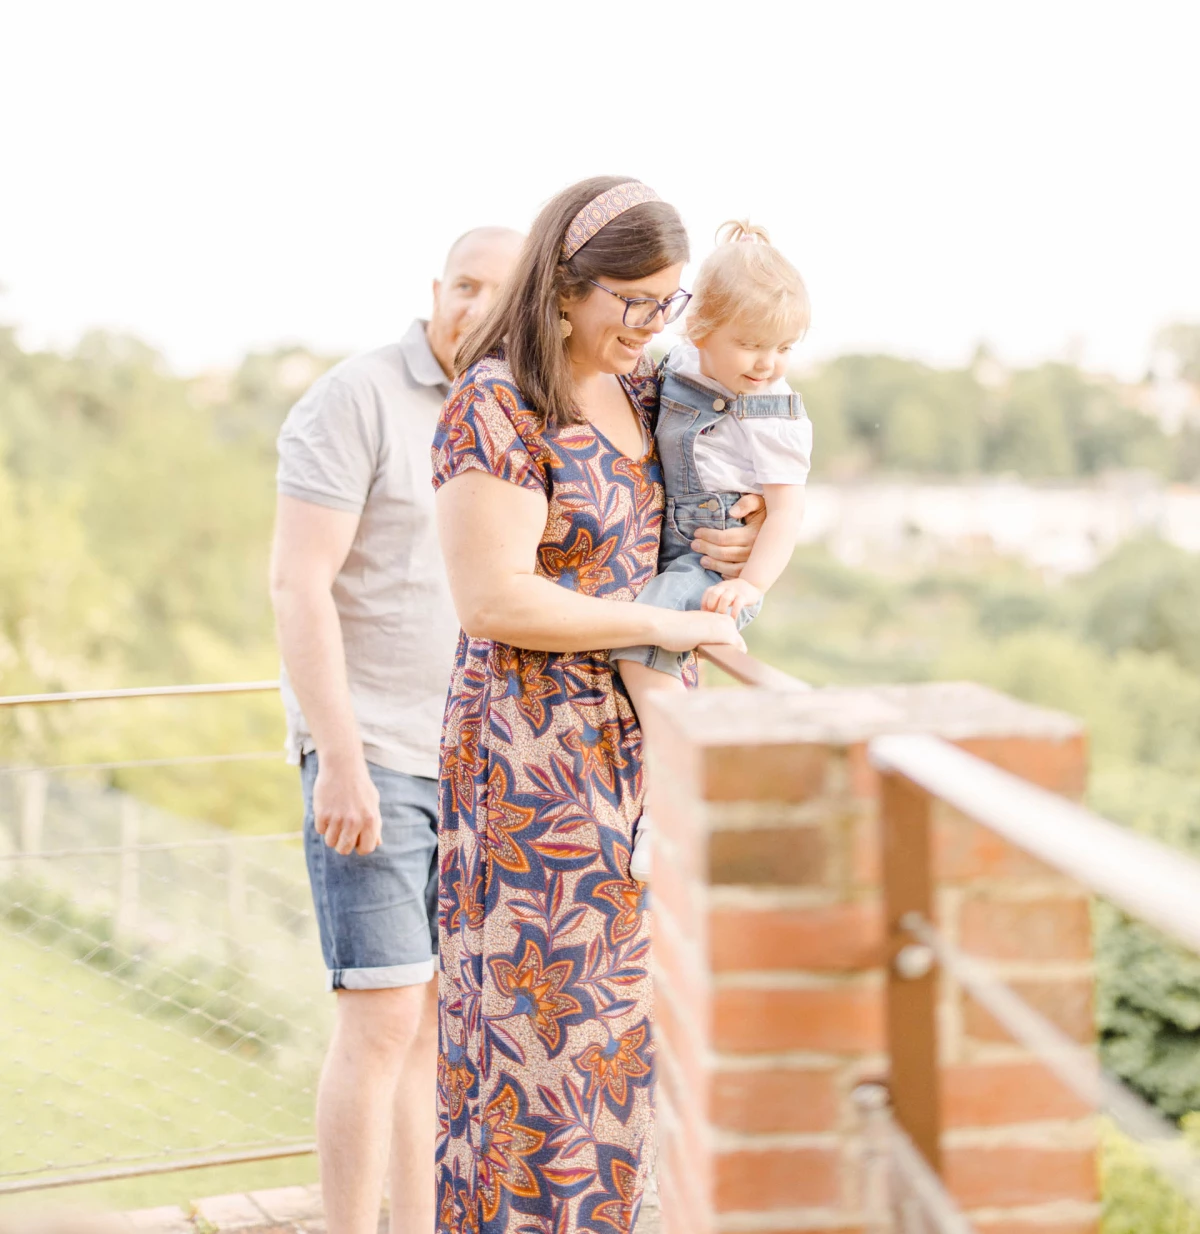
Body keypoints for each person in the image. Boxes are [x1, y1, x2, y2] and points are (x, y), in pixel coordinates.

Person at [431, 176, 762, 1233]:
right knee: (541, 1054)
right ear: (568, 290)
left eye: (669, 302)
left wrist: (737, 540)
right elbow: (494, 596)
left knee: (623, 1053)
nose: (655, 324)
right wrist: (665, 625)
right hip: (534, 767)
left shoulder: (660, 395)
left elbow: (745, 490)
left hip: (641, 760)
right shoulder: (498, 401)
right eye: (637, 301)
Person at [269, 226, 523, 1234]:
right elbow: (298, 583)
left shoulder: (512, 412)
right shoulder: (358, 396)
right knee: (379, 1022)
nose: (474, 308)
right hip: (368, 757)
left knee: (430, 1033)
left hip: (467, 762)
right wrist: (337, 760)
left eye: (497, 295)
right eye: (462, 286)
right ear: (436, 288)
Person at [616, 219, 813, 878]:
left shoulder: (770, 407)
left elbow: (786, 510)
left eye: (784, 346)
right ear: (699, 328)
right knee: (654, 646)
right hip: (672, 538)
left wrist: (750, 586)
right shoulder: (674, 363)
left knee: (644, 656)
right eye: (753, 344)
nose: (768, 363)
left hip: (710, 554)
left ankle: (668, 804)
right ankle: (739, 707)